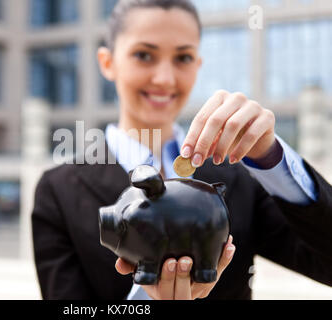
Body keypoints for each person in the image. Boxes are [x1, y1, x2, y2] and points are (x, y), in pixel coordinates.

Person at [32, 0, 332, 300]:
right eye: (144, 55)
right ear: (108, 62)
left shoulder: (239, 176)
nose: (165, 78)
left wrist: (270, 157)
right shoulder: (57, 191)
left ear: (198, 65)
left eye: (183, 57)